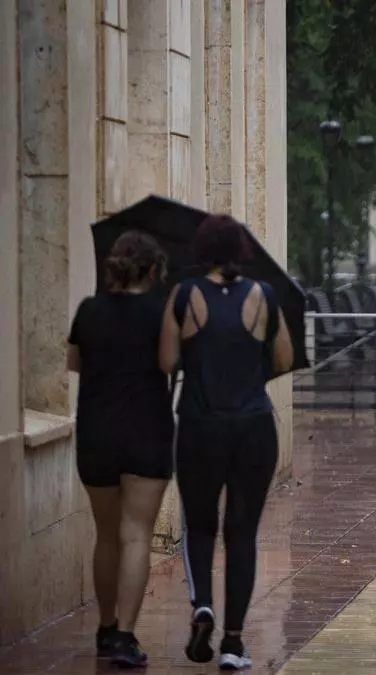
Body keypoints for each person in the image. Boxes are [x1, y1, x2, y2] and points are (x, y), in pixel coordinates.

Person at [159, 214, 293, 670]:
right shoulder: (264, 296)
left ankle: (202, 606)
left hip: (200, 425)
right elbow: (284, 357)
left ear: (202, 251)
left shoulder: (183, 296)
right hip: (254, 427)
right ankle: (233, 644)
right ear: (241, 250)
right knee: (242, 533)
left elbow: (166, 361)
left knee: (199, 526)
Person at [67, 231, 173, 668]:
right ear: (152, 271)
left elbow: (74, 362)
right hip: (147, 432)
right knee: (136, 535)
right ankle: (127, 637)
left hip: (97, 433)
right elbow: (169, 363)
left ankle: (106, 626)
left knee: (106, 534)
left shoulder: (89, 311)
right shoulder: (160, 312)